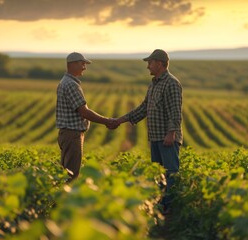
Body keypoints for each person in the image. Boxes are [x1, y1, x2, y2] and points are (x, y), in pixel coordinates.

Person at [115, 49, 183, 214]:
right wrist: (120, 120)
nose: (148, 66)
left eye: (150, 63)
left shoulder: (171, 83)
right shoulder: (154, 83)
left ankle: (170, 209)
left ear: (159, 64)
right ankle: (161, 206)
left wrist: (171, 133)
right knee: (158, 173)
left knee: (170, 173)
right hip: (155, 137)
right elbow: (144, 108)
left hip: (167, 138)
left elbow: (175, 111)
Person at [56, 52, 118, 181]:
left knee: (66, 173)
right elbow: (84, 112)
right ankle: (66, 200)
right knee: (71, 175)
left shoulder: (66, 82)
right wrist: (107, 121)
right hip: (72, 135)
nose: (85, 67)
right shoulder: (71, 84)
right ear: (73, 64)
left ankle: (60, 199)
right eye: (83, 64)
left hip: (68, 134)